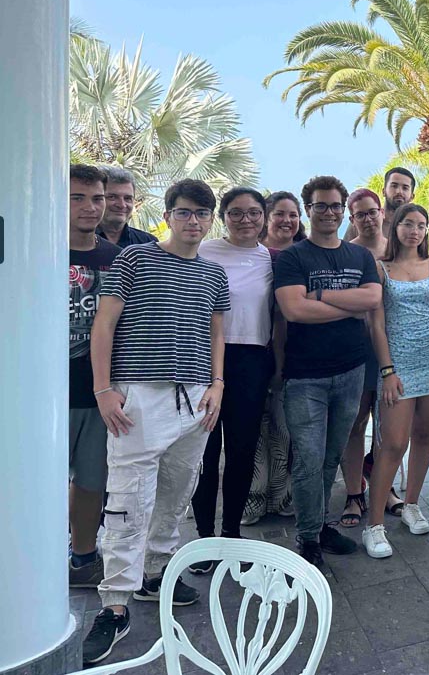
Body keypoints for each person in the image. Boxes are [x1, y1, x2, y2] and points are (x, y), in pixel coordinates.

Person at [82, 179, 230, 666]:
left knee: (176, 492)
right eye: (184, 212)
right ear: (168, 216)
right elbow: (105, 324)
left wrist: (218, 384)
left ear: (210, 220)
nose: (193, 221)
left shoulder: (214, 274)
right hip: (139, 397)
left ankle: (154, 573)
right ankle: (115, 604)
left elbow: (216, 332)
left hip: (196, 399)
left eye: (202, 213)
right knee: (128, 500)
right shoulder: (135, 259)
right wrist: (104, 389)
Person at [273, 176, 382, 567]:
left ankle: (319, 526)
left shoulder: (360, 257)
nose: (329, 213)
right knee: (308, 458)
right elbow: (293, 310)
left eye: (336, 206)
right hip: (305, 377)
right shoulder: (293, 258)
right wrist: (348, 305)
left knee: (331, 455)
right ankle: (307, 540)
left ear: (343, 211)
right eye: (321, 206)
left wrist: (318, 296)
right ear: (309, 210)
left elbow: (373, 298)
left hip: (351, 371)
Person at [363, 204, 429, 558]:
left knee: (424, 436)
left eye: (421, 225)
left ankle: (411, 504)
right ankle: (374, 525)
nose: (415, 231)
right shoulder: (381, 268)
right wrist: (387, 371)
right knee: (393, 444)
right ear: (395, 227)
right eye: (408, 224)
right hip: (398, 366)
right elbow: (376, 325)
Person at [188, 188, 275, 569]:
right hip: (204, 359)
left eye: (254, 212)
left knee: (241, 452)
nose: (245, 220)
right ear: (222, 217)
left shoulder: (270, 257)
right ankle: (204, 538)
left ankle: (232, 533)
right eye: (236, 213)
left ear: (264, 217)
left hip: (251, 361)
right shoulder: (204, 251)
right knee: (204, 453)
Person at [68, 165, 121, 589]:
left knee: (91, 481)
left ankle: (82, 559)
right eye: (78, 198)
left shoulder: (116, 258)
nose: (90, 207)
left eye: (97, 198)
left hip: (98, 391)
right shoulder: (35, 250)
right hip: (38, 394)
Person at [339, 188, 404, 528]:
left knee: (387, 424)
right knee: (356, 422)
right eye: (359, 214)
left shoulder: (398, 249)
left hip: (396, 347)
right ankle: (354, 492)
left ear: (382, 213)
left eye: (371, 212)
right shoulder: (346, 253)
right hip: (357, 347)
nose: (367, 219)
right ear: (352, 219)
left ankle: (385, 487)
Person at [243, 190, 304, 526]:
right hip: (251, 352)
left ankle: (282, 496)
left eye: (293, 214)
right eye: (280, 213)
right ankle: (252, 498)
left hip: (295, 355)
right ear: (266, 217)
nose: (286, 220)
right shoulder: (253, 255)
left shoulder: (305, 255)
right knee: (253, 431)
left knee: (284, 430)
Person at [96, 166, 158, 248]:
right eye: (112, 197)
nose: (122, 205)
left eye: (127, 198)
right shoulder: (80, 240)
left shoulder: (148, 243)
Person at [381, 166, 416, 236]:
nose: (399, 192)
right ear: (384, 191)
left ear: (412, 196)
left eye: (405, 188)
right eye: (394, 186)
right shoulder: (369, 222)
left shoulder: (415, 230)